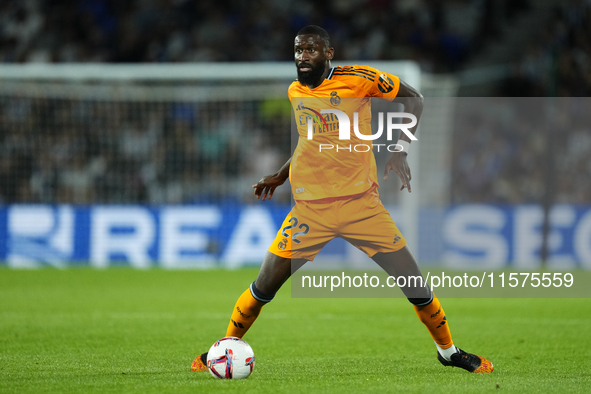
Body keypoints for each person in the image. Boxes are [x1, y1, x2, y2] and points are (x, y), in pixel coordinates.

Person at [192, 25, 493, 374]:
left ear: (328, 54)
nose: (303, 56)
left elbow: (414, 98)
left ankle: (449, 351)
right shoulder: (295, 91)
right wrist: (282, 172)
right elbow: (310, 139)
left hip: (361, 206)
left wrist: (399, 148)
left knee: (414, 283)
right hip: (311, 210)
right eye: (298, 50)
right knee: (263, 287)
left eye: (311, 50)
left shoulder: (358, 79)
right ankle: (227, 346)